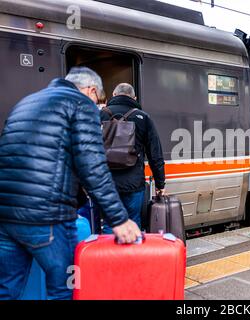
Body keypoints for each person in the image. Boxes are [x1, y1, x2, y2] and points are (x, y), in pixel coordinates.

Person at [0, 67, 141, 300]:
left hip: (5, 213)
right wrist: (119, 218)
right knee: (63, 287)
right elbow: (92, 166)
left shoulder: (26, 102)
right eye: (97, 100)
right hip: (47, 216)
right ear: (91, 91)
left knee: (6, 290)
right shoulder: (80, 104)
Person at [100, 83, 165, 233]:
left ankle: (111, 256)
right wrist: (160, 184)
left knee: (110, 224)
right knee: (133, 222)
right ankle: (131, 255)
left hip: (106, 183)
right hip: (134, 183)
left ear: (114, 95)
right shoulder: (143, 117)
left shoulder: (100, 115)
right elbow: (155, 154)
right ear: (134, 98)